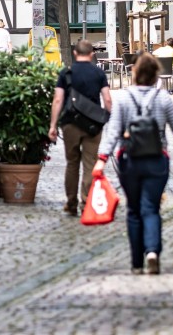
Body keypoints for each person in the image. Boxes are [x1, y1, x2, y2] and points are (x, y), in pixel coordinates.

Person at [94, 54, 173, 275]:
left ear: (135, 73)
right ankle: (152, 251)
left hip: (130, 159)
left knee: (134, 209)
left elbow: (113, 131)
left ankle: (137, 262)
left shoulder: (123, 99)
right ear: (156, 75)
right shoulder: (163, 98)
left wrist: (101, 159)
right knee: (151, 207)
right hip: (157, 159)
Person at [48, 39, 113, 216]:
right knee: (90, 164)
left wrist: (53, 125)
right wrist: (110, 119)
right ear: (92, 54)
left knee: (72, 163)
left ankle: (71, 202)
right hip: (93, 124)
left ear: (75, 53)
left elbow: (58, 100)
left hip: (70, 123)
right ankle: (87, 203)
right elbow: (107, 99)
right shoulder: (98, 73)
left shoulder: (66, 73)